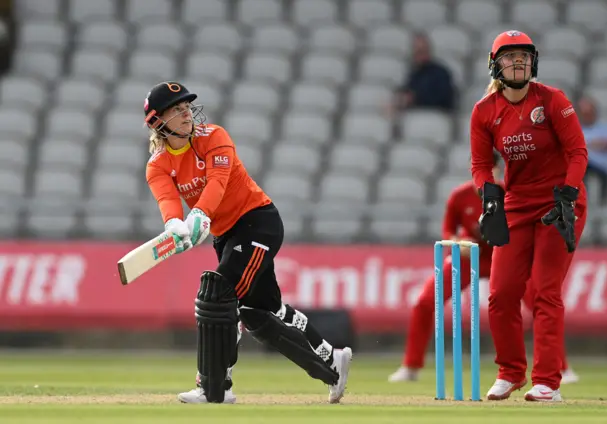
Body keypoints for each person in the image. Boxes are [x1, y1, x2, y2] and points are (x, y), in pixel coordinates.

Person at [143, 81, 352, 404]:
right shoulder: (158, 166)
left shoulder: (214, 136)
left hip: (258, 222)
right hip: (226, 235)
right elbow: (168, 202)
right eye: (176, 109)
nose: (186, 112)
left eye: (187, 106)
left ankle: (213, 385)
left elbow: (217, 182)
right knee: (263, 310)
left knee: (219, 295)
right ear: (158, 121)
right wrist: (175, 226)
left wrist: (198, 214)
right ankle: (331, 361)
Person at [387, 152, 579, 385]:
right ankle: (410, 366)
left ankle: (561, 367)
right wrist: (458, 244)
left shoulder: (511, 194)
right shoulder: (459, 196)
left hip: (506, 257)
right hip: (469, 258)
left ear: (499, 170)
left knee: (541, 303)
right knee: (426, 301)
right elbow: (448, 232)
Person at [470, 30, 588, 402]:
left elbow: (578, 152)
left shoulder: (553, 100)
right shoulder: (484, 111)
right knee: (501, 294)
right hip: (517, 204)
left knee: (545, 291)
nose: (517, 62)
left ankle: (548, 383)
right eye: (509, 57)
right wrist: (488, 196)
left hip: (559, 203)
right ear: (495, 65)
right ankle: (509, 373)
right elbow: (480, 165)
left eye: (523, 56)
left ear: (532, 62)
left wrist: (568, 194)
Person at [386, 33, 456, 117]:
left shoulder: (441, 73)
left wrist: (415, 99)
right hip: (414, 116)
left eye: (422, 51)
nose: (419, 55)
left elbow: (444, 98)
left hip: (435, 116)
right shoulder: (413, 73)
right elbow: (406, 91)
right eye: (417, 51)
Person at [577, 95, 607, 205]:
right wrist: (592, 143)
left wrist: (584, 144)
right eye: (583, 113)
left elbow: (605, 144)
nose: (586, 116)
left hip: (601, 165)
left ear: (595, 112)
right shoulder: (575, 128)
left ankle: (602, 203)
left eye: (588, 113)